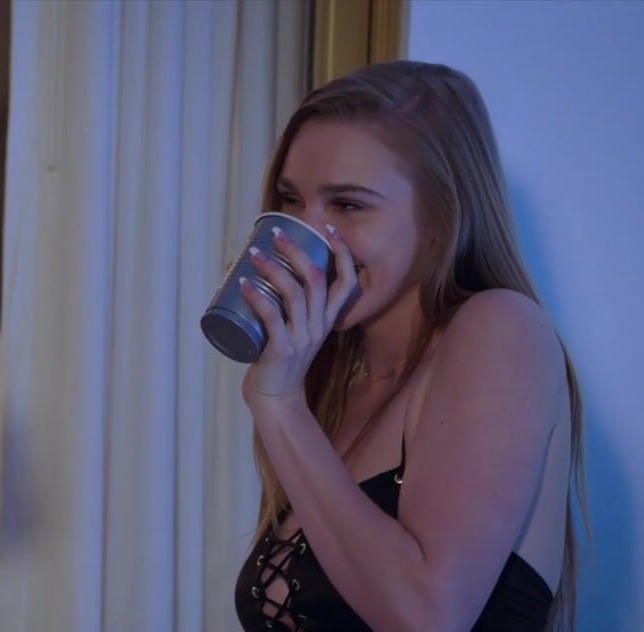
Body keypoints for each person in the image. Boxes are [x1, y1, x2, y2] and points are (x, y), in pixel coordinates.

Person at [232, 61, 584, 631]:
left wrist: (277, 404)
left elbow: (427, 615)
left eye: (348, 205)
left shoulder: (500, 327)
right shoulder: (337, 378)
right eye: (291, 201)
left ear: (441, 219)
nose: (305, 236)